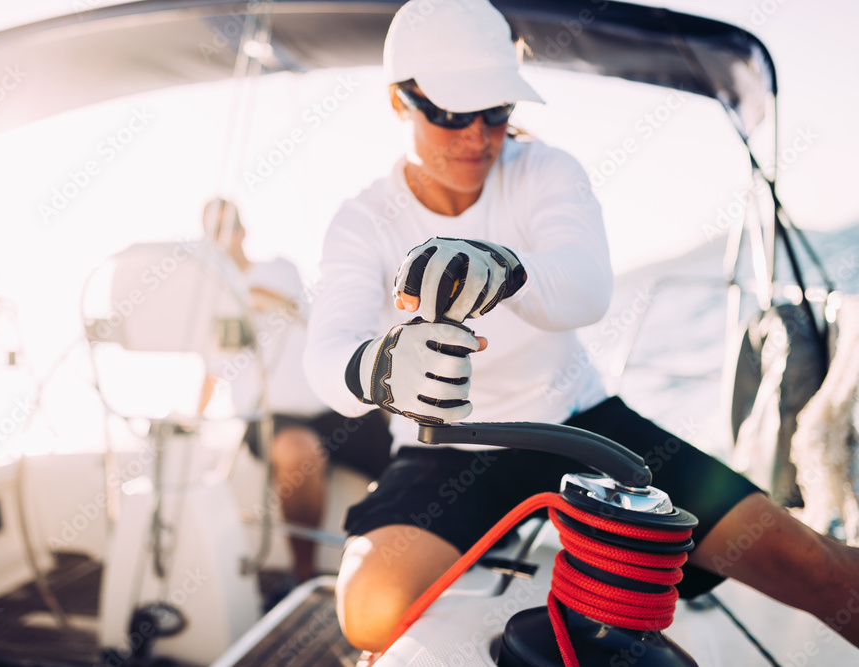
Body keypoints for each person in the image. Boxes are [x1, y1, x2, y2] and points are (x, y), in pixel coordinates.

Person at [302, 0, 859, 655]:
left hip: (580, 424)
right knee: (367, 611)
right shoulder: (362, 219)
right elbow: (327, 352)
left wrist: (506, 269)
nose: (477, 137)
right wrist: (378, 367)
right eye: (452, 114)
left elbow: (586, 284)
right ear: (400, 103)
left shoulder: (545, 170)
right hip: (442, 449)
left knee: (815, 570)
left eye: (497, 112)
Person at [199, 197, 394, 589]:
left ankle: (396, 565)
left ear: (242, 231)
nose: (222, 237)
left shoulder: (278, 269)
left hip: (329, 406)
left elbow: (297, 310)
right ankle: (304, 576)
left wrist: (248, 296)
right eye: (213, 230)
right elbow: (212, 370)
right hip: (269, 416)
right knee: (299, 453)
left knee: (401, 456)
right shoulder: (209, 299)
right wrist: (194, 418)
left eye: (227, 226)